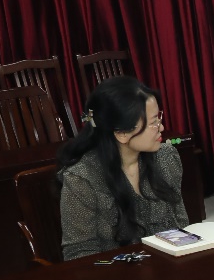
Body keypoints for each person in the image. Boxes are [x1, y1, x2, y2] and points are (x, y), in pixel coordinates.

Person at [57, 76, 188, 261]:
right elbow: (79, 255)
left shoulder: (166, 157)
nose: (162, 127)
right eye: (153, 123)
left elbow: (182, 225)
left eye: (159, 117)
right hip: (115, 276)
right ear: (122, 133)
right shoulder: (82, 179)